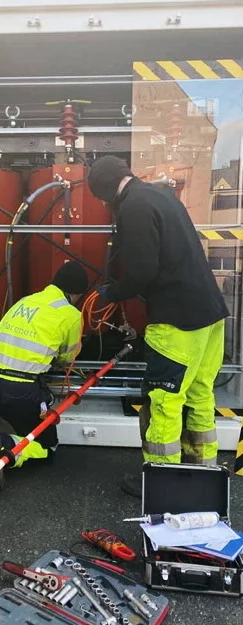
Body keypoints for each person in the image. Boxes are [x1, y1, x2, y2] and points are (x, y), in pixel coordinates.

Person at [86, 156, 229, 497]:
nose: (105, 205)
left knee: (164, 400)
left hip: (176, 319)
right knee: (199, 394)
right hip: (209, 314)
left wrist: (113, 292)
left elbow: (142, 273)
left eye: (102, 199)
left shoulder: (132, 208)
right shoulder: (161, 195)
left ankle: (161, 480)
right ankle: (202, 471)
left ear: (106, 192)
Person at [0, 262, 89, 491]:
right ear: (76, 293)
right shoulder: (71, 314)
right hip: (18, 394)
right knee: (47, 446)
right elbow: (68, 359)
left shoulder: (24, 301)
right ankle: (6, 445)